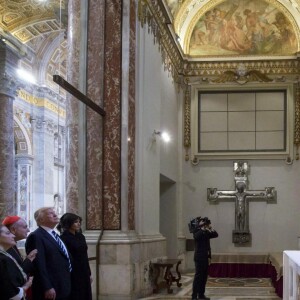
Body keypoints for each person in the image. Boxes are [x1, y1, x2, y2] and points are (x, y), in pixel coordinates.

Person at [25, 207, 71, 300]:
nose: (55, 215)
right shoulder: (36, 236)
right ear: (41, 219)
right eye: (50, 213)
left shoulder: (55, 235)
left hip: (63, 283)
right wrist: (47, 286)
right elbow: (39, 264)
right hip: (51, 286)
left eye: (55, 212)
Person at [57, 213, 92, 300]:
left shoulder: (81, 236)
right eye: (76, 222)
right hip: (72, 272)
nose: (78, 224)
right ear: (68, 223)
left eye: (79, 221)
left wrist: (89, 273)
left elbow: (85, 255)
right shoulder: (63, 238)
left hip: (83, 270)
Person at [0, 224, 33, 300]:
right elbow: (11, 293)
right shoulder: (2, 259)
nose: (13, 236)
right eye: (8, 233)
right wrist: (27, 285)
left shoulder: (5, 255)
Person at [191, 217, 218, 300]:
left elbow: (216, 235)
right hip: (199, 257)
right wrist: (201, 227)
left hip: (206, 257)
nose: (207, 225)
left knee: (204, 277)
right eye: (206, 223)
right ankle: (194, 296)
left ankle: (201, 295)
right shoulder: (197, 231)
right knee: (198, 277)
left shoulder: (206, 232)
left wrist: (210, 228)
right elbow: (196, 237)